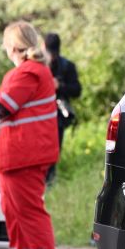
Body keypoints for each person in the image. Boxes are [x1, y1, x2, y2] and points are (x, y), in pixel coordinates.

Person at [0, 21, 61, 249]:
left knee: (28, 210)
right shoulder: (32, 71)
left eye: (5, 45)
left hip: (23, 154)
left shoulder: (27, 73)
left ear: (13, 46)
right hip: (14, 154)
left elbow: (2, 107)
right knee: (13, 210)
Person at [43, 32, 80, 183]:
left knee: (53, 151)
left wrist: (59, 86)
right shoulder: (39, 65)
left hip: (57, 116)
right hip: (40, 114)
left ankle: (49, 182)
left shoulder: (67, 67)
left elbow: (77, 90)